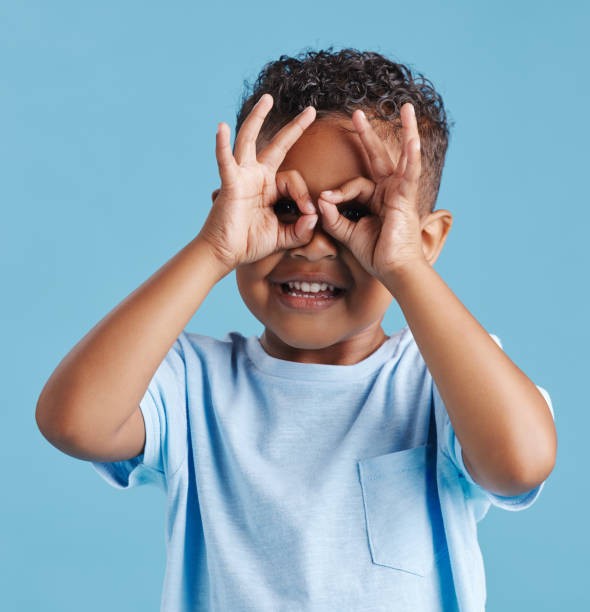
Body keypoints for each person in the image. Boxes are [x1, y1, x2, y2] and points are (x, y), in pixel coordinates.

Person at [35, 48, 557, 611]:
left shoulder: (442, 380)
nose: (312, 241)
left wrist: (401, 264)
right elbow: (73, 422)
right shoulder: (192, 384)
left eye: (357, 215)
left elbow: (518, 464)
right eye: (285, 206)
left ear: (425, 240)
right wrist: (213, 249)